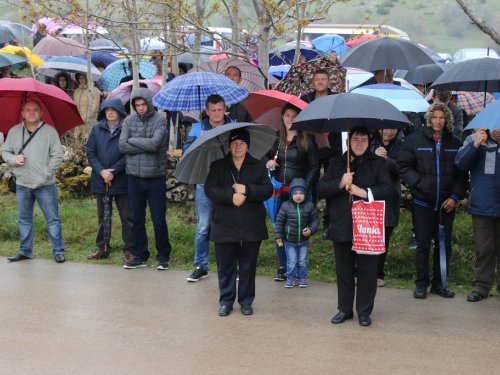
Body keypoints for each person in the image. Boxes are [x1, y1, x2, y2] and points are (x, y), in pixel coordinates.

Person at [317, 127, 392, 327]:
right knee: (344, 270)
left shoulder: (377, 163)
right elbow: (321, 189)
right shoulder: (336, 163)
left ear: (369, 143)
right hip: (342, 222)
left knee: (368, 271)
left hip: (368, 225)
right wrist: (340, 183)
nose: (359, 143)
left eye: (364, 140)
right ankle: (344, 309)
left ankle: (364, 311)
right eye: (355, 139)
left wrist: (363, 191)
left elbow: (388, 189)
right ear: (349, 142)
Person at [397, 102, 468, 299]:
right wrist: (418, 185)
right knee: (422, 245)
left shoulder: (455, 142)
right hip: (422, 203)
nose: (437, 121)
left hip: (446, 205)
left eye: (441, 118)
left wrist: (455, 197)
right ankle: (421, 284)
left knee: (444, 245)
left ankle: (440, 284)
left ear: (447, 120)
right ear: (429, 119)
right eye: (434, 117)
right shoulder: (414, 140)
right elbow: (403, 166)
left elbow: (462, 174)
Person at [205, 127, 273, 316]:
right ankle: (226, 301)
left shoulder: (258, 165)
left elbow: (267, 190)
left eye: (242, 143)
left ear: (248, 146)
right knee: (225, 267)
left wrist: (247, 190)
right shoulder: (218, 166)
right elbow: (210, 190)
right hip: (225, 225)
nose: (238, 146)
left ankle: (246, 301)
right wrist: (230, 195)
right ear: (229, 145)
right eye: (234, 143)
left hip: (251, 226)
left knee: (248, 266)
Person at [2, 101, 65, 263]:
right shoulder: (14, 131)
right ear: (22, 113)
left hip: (45, 184)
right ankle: (25, 251)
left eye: (35, 110)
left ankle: (58, 251)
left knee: (52, 219)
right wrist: (14, 159)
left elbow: (57, 156)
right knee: (24, 219)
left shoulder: (50, 132)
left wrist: (46, 173)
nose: (31, 113)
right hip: (22, 183)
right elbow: (5, 151)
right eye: (28, 110)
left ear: (41, 113)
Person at [265, 103, 319, 281]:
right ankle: (283, 267)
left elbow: (314, 167)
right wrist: (268, 162)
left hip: (299, 195)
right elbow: (263, 157)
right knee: (280, 229)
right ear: (282, 117)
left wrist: (304, 189)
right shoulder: (275, 138)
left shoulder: (307, 139)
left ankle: (298, 267)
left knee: (298, 230)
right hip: (279, 193)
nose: (290, 119)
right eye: (287, 115)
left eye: (294, 116)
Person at [119, 88, 172, 269]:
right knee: (137, 219)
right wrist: (144, 143)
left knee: (158, 219)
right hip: (134, 177)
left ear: (149, 103)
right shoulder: (128, 120)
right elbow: (122, 146)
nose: (141, 108)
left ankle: (163, 255)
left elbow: (155, 145)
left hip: (155, 177)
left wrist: (133, 140)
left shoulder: (159, 120)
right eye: (137, 105)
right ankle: (141, 256)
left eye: (143, 104)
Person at [183, 94, 234, 282]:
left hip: (228, 184)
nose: (217, 114)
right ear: (207, 111)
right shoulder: (197, 128)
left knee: (230, 226)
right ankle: (200, 266)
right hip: (205, 183)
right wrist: (199, 143)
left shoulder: (233, 125)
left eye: (220, 110)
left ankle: (230, 266)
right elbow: (186, 151)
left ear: (225, 109)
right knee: (203, 227)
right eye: (213, 110)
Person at [86, 98, 134, 262]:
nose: (111, 112)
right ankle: (103, 248)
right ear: (103, 112)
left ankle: (129, 250)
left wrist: (114, 171)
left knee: (127, 217)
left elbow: (129, 152)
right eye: (107, 110)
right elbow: (91, 153)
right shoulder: (96, 129)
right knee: (103, 217)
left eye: (114, 110)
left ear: (120, 112)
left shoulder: (127, 128)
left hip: (122, 179)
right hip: (102, 180)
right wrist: (102, 171)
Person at [455, 127, 500, 302]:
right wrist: (475, 145)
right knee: (484, 249)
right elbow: (460, 163)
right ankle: (481, 286)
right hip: (483, 203)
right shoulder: (474, 139)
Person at [302, 69, 341, 239]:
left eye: (323, 79)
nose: (320, 82)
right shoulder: (305, 100)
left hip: (333, 148)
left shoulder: (337, 99)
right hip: (311, 148)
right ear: (313, 83)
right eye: (317, 79)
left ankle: (329, 221)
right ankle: (309, 221)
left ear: (328, 82)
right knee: (311, 184)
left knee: (332, 186)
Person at [369, 128, 404, 287]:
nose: (389, 132)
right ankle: (360, 272)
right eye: (386, 128)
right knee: (366, 233)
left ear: (397, 131)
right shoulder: (370, 142)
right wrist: (374, 157)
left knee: (383, 236)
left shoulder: (401, 145)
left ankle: (378, 274)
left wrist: (387, 160)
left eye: (393, 129)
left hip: (390, 197)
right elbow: (361, 165)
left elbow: (402, 169)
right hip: (370, 194)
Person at [275, 177, 319, 288]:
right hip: (289, 241)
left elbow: (315, 220)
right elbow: (279, 222)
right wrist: (278, 236)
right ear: (291, 194)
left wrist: (311, 230)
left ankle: (302, 277)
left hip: (303, 241)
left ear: (305, 194)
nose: (298, 196)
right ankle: (291, 278)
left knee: (302, 260)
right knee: (291, 261)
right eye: (295, 193)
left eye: (301, 193)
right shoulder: (285, 206)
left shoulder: (309, 206)